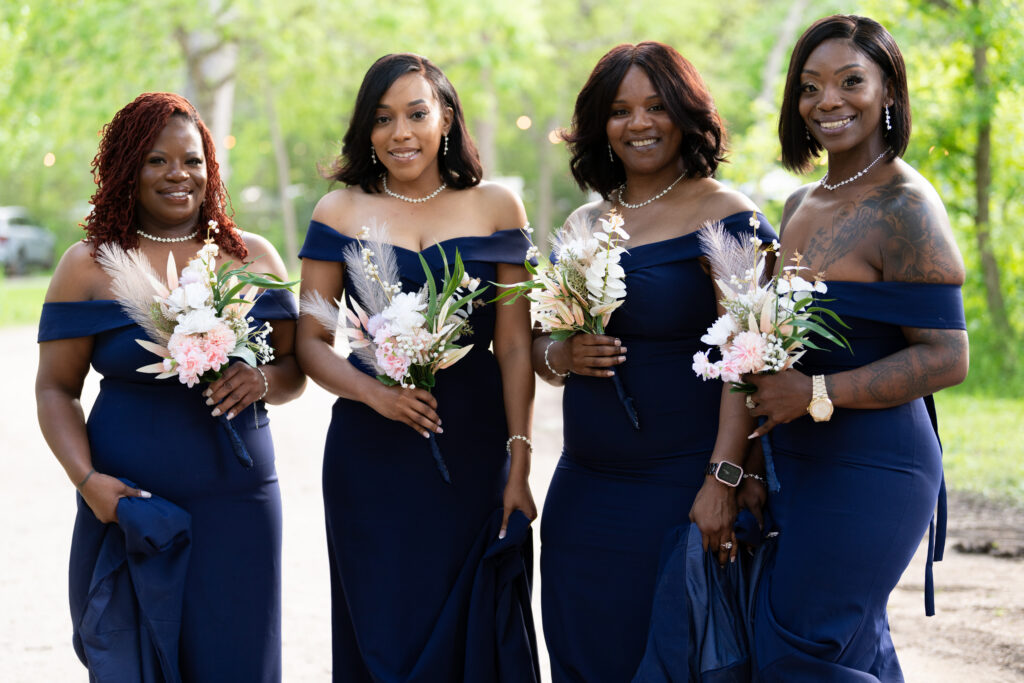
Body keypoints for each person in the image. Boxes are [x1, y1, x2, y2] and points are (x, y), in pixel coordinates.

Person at [35, 92, 305, 681]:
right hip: (129, 499)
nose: (178, 175)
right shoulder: (87, 266)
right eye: (156, 161)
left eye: (192, 160)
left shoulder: (250, 256)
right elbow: (55, 390)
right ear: (126, 170)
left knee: (236, 656)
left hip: (239, 500)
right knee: (131, 657)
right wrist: (88, 483)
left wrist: (260, 379)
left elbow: (293, 372)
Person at [535, 42, 776, 682]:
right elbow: (541, 348)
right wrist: (561, 353)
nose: (638, 123)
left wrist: (723, 479)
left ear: (685, 113)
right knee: (583, 655)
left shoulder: (725, 213)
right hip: (583, 490)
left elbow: (752, 358)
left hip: (679, 488)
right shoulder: (584, 222)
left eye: (655, 106)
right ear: (599, 125)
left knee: (674, 659)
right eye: (619, 110)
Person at [295, 53, 540, 681]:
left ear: (447, 119)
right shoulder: (339, 212)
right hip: (370, 452)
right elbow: (312, 342)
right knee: (384, 626)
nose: (400, 133)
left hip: (475, 447)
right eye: (382, 119)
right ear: (366, 131)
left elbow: (513, 346)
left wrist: (519, 461)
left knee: (472, 624)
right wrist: (375, 396)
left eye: (416, 113)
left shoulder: (496, 206)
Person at [742, 15, 969, 680]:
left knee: (804, 644)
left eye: (850, 81)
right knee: (847, 643)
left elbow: (947, 358)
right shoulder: (799, 203)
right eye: (810, 87)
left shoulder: (906, 204)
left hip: (874, 466)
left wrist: (815, 393)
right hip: (798, 459)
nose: (828, 101)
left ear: (888, 90)